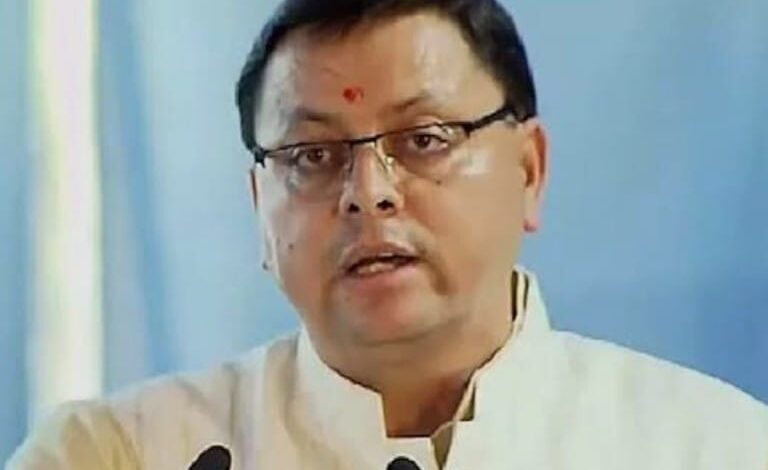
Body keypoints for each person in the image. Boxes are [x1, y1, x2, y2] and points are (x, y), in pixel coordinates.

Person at [8, 0, 768, 468]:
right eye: (313, 156)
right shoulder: (119, 455)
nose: (368, 193)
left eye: (425, 139)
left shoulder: (713, 447)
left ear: (529, 170)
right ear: (260, 208)